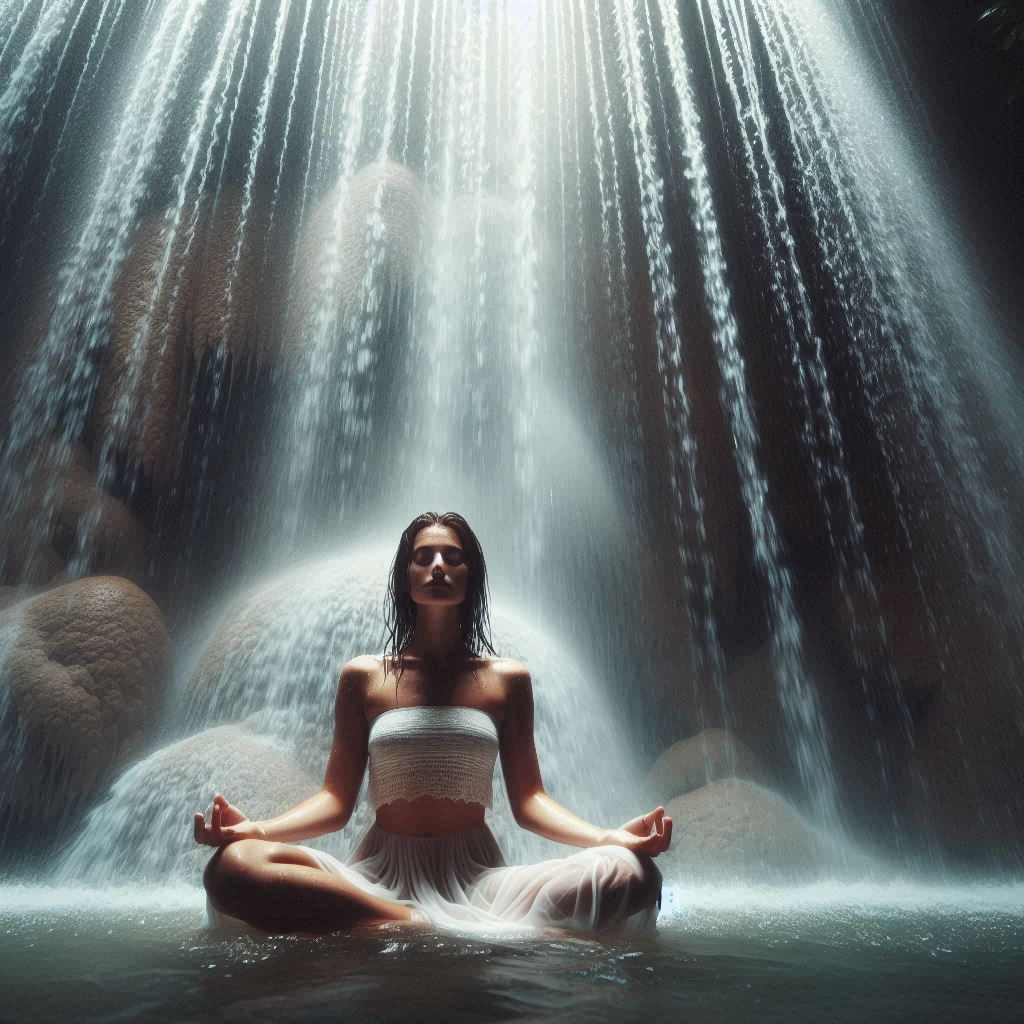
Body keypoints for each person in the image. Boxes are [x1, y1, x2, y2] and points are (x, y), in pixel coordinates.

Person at [195, 512, 671, 936]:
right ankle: (405, 923)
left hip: (480, 880)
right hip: (376, 879)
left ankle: (398, 926)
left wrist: (611, 837)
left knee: (634, 872)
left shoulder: (508, 680)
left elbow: (530, 803)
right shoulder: (364, 676)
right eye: (424, 557)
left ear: (471, 575)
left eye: (452, 557)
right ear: (406, 577)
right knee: (233, 866)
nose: (438, 565)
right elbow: (335, 802)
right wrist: (256, 829)